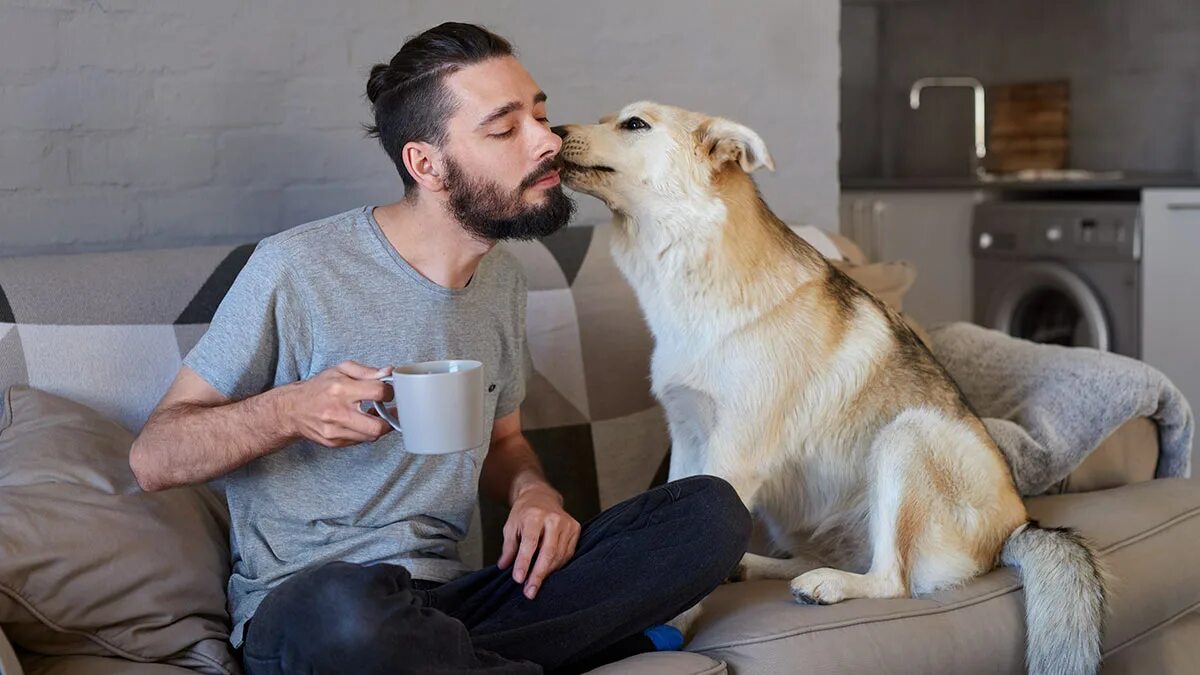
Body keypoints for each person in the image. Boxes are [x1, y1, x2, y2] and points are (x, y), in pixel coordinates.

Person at [129, 21, 749, 674]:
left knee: (708, 514)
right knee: (348, 614)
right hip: (309, 601)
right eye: (505, 129)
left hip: (453, 597)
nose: (548, 139)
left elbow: (504, 443)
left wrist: (536, 493)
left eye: (539, 113)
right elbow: (154, 456)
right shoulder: (295, 268)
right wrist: (288, 410)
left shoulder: (502, 280)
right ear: (425, 164)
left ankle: (463, 659)